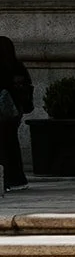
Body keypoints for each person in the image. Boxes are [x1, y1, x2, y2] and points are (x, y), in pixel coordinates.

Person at [0, 37, 33, 192]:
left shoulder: (2, 67)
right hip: (14, 113)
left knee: (3, 148)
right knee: (12, 144)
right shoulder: (17, 66)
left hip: (2, 112)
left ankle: (5, 180)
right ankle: (17, 179)